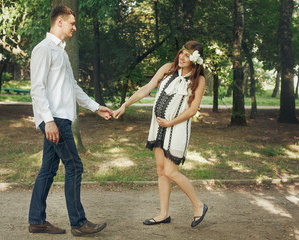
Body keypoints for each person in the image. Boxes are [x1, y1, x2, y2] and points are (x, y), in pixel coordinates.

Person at [28, 5, 112, 236]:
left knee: (48, 169)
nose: (75, 27)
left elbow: (72, 88)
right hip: (55, 120)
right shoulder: (44, 49)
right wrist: (48, 122)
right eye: (72, 23)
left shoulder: (61, 52)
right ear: (60, 22)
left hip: (59, 119)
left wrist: (96, 107)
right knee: (74, 166)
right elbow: (37, 89)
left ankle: (36, 220)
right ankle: (79, 223)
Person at [113, 41, 208, 228]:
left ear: (195, 60)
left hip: (177, 128)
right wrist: (125, 105)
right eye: (181, 53)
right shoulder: (167, 69)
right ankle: (164, 213)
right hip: (158, 127)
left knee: (171, 171)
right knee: (161, 171)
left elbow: (192, 110)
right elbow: (146, 89)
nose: (182, 57)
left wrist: (171, 122)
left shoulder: (199, 80)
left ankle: (199, 205)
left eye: (187, 55)